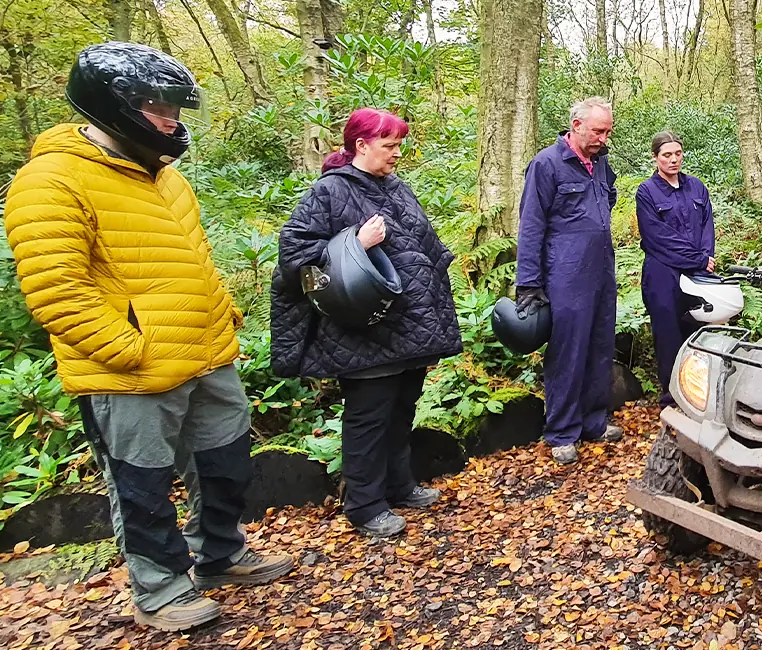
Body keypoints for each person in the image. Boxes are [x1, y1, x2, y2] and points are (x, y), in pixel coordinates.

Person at [3, 42, 293, 632]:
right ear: (114, 106)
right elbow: (56, 287)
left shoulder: (167, 177)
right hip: (128, 372)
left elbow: (192, 258)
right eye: (156, 105)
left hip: (208, 354)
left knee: (225, 464)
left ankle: (221, 554)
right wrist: (128, 350)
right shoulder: (50, 179)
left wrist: (224, 315)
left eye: (177, 106)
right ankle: (160, 589)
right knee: (141, 485)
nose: (171, 118)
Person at [270, 108, 462, 538]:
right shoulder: (329, 192)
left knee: (401, 410)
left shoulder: (395, 187)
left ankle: (398, 485)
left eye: (398, 145)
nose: (397, 154)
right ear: (362, 145)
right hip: (365, 329)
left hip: (410, 326)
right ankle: (364, 504)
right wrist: (355, 243)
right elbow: (293, 254)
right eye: (389, 146)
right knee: (369, 417)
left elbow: (423, 246)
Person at [515, 97, 623, 466]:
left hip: (601, 269)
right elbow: (531, 225)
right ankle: (562, 430)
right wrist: (529, 281)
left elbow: (607, 199)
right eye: (597, 131)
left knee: (599, 345)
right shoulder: (546, 164)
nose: (603, 138)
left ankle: (593, 420)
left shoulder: (602, 161)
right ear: (575, 126)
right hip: (564, 272)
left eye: (607, 131)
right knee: (568, 351)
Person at [635, 132, 715, 408]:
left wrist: (705, 258)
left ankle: (699, 394)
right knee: (668, 334)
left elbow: (707, 228)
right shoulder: (647, 192)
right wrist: (697, 259)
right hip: (662, 273)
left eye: (677, 154)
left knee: (698, 331)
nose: (673, 159)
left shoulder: (696, 188)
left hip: (697, 272)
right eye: (667, 155)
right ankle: (672, 398)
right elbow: (658, 237)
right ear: (655, 157)